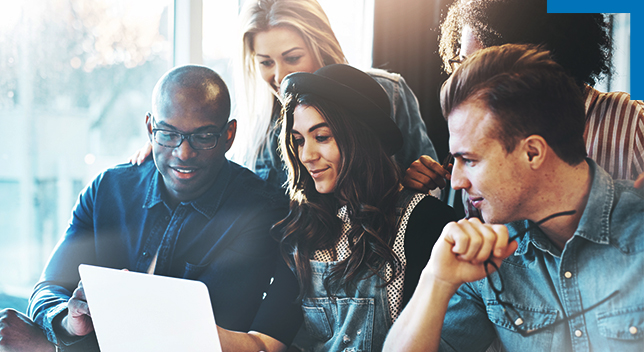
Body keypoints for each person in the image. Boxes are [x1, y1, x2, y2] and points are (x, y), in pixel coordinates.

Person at [0, 65, 288, 352]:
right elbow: (48, 288)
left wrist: (50, 346)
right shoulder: (108, 189)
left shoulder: (259, 210)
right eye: (168, 133)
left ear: (229, 135)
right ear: (151, 128)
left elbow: (197, 337)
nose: (183, 152)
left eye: (203, 137)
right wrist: (68, 322)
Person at [383, 44, 644, 352]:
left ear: (532, 152)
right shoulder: (491, 254)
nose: (455, 181)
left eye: (470, 160)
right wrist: (436, 280)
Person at [217, 64, 457, 352]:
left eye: (322, 137)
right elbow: (264, 343)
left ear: (360, 138)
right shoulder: (304, 230)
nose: (306, 155)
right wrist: (194, 326)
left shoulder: (427, 221)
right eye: (298, 140)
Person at [131, 0, 439, 195]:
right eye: (266, 62)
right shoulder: (256, 125)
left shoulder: (387, 93)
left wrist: (420, 180)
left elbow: (432, 183)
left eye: (292, 58)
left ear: (321, 45)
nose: (279, 76)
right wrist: (171, 140)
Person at [403, 0, 644, 201]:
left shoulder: (632, 125)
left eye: (484, 71)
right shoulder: (479, 141)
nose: (467, 85)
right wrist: (421, 197)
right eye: (463, 64)